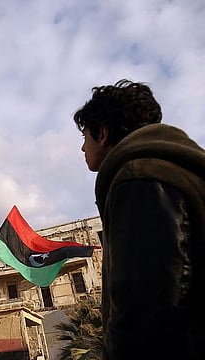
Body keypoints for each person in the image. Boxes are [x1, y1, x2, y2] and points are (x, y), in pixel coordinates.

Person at [72, 79, 205, 360]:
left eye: (84, 137)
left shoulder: (140, 176)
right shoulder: (173, 168)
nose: (82, 148)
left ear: (103, 133)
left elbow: (148, 306)